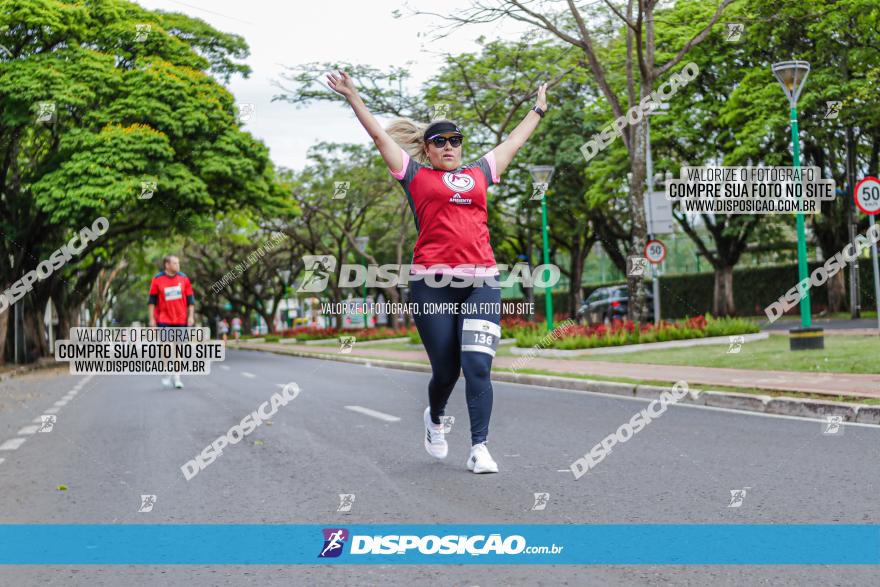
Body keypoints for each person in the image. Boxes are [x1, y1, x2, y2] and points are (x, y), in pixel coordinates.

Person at [328, 69, 548, 474]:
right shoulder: (415, 177)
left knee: (478, 365)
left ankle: (479, 447)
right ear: (426, 150)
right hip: (432, 285)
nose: (449, 147)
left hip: (481, 280)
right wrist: (353, 97)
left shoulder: (480, 172)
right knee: (446, 370)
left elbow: (514, 141)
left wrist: (537, 109)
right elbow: (380, 137)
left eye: (455, 141)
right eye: (440, 142)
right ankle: (434, 418)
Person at [148, 255, 195, 389]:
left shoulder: (184, 278)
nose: (178, 265)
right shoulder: (157, 279)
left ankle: (177, 377)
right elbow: (151, 301)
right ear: (167, 265)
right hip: (164, 319)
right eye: (175, 263)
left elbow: (190, 300)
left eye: (178, 263)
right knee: (166, 347)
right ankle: (167, 370)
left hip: (181, 320)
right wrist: (152, 320)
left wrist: (190, 316)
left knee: (178, 349)